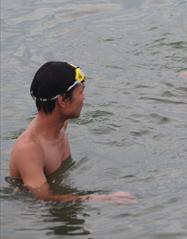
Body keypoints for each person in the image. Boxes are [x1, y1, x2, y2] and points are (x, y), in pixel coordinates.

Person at [7, 61, 134, 203]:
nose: (84, 98)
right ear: (62, 101)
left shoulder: (61, 124)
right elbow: (43, 198)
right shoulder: (29, 150)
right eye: (81, 92)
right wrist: (103, 198)